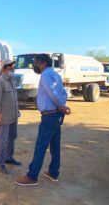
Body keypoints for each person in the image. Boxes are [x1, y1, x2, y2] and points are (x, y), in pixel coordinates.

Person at [15, 54, 71, 186]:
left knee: (40, 147)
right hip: (56, 116)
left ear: (44, 63)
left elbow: (52, 93)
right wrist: (61, 106)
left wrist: (61, 106)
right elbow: (63, 93)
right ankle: (53, 172)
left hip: (50, 116)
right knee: (55, 146)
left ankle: (32, 176)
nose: (34, 65)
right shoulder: (55, 74)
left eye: (36, 63)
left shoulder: (45, 75)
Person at [0, 59, 21, 174]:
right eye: (10, 67)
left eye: (13, 67)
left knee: (12, 137)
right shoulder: (0, 81)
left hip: (13, 115)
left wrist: (17, 112)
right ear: (5, 68)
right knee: (3, 140)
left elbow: (14, 99)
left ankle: (9, 157)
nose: (12, 69)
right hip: (4, 116)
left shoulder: (11, 81)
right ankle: (0, 162)